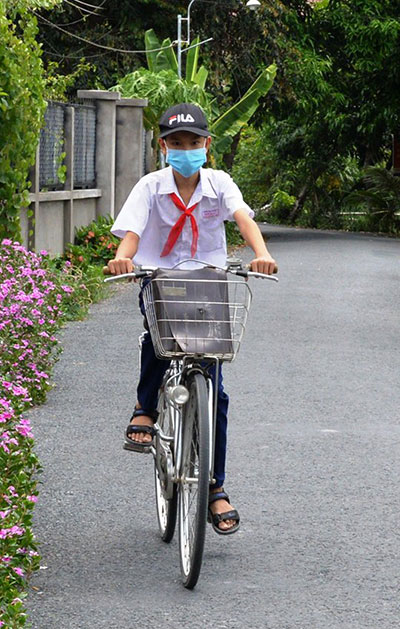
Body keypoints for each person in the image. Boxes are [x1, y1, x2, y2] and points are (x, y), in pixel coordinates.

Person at [107, 103, 278, 536]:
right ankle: (145, 409)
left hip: (209, 284)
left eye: (194, 142)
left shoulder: (219, 184)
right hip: (161, 279)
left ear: (207, 146)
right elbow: (131, 232)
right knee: (157, 341)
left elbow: (243, 219)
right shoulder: (150, 187)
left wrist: (261, 254)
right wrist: (123, 259)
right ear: (163, 146)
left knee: (216, 395)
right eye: (177, 143)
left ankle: (215, 487)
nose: (186, 150)